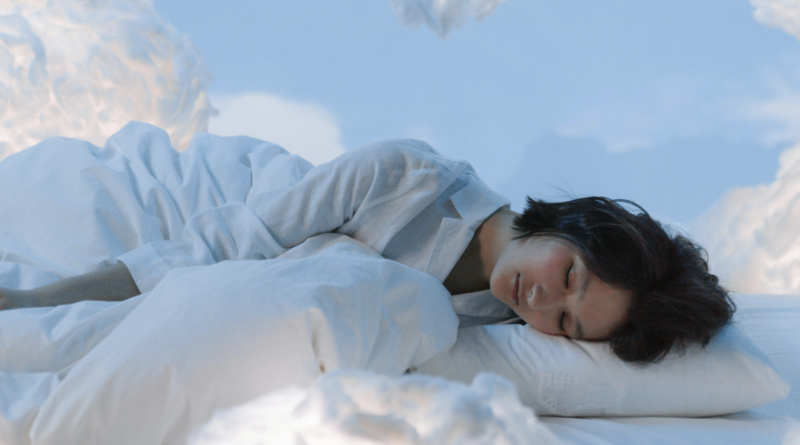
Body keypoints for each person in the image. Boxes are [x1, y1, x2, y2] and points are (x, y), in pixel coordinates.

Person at [0, 122, 733, 364]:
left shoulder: (503, 321)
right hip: (235, 208)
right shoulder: (407, 175)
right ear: (567, 224)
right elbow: (231, 241)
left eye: (568, 323)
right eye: (569, 275)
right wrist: (36, 302)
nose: (543, 301)